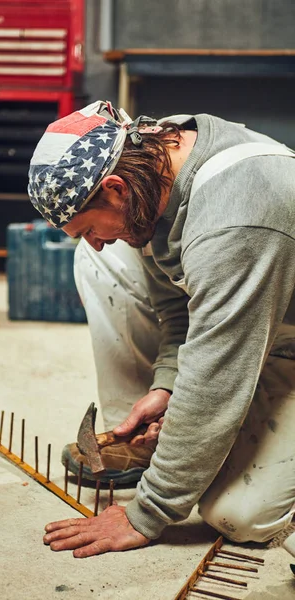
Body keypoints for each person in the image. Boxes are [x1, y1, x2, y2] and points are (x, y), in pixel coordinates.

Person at [27, 101, 295, 558]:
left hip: (279, 332)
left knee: (240, 515)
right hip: (246, 320)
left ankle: (189, 456)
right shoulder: (152, 161)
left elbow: (216, 378)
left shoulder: (236, 218)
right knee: (105, 257)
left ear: (114, 189)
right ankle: (156, 444)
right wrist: (168, 384)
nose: (95, 238)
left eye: (89, 226)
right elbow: (181, 305)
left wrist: (146, 513)